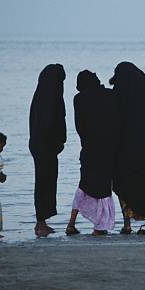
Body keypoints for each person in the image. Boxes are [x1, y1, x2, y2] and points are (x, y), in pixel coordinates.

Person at [109, 62, 145, 234]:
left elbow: (116, 121)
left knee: (123, 184)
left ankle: (127, 224)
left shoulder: (120, 92)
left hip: (126, 148)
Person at [66, 70, 121, 236]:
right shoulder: (109, 95)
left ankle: (71, 223)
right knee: (104, 187)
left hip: (89, 148)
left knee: (84, 184)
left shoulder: (79, 99)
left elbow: (79, 126)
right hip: (108, 148)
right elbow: (117, 120)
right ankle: (100, 226)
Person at [29, 64, 66, 236]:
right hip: (46, 146)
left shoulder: (40, 96)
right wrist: (58, 142)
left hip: (41, 145)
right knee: (45, 183)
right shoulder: (51, 99)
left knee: (45, 183)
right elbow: (52, 122)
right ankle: (40, 223)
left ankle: (41, 221)